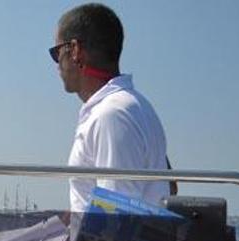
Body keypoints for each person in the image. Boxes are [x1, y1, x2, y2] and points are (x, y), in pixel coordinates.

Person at [51, 3, 170, 212]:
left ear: (75, 51)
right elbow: (171, 187)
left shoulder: (112, 115)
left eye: (56, 52)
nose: (56, 64)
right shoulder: (134, 106)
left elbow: (116, 220)